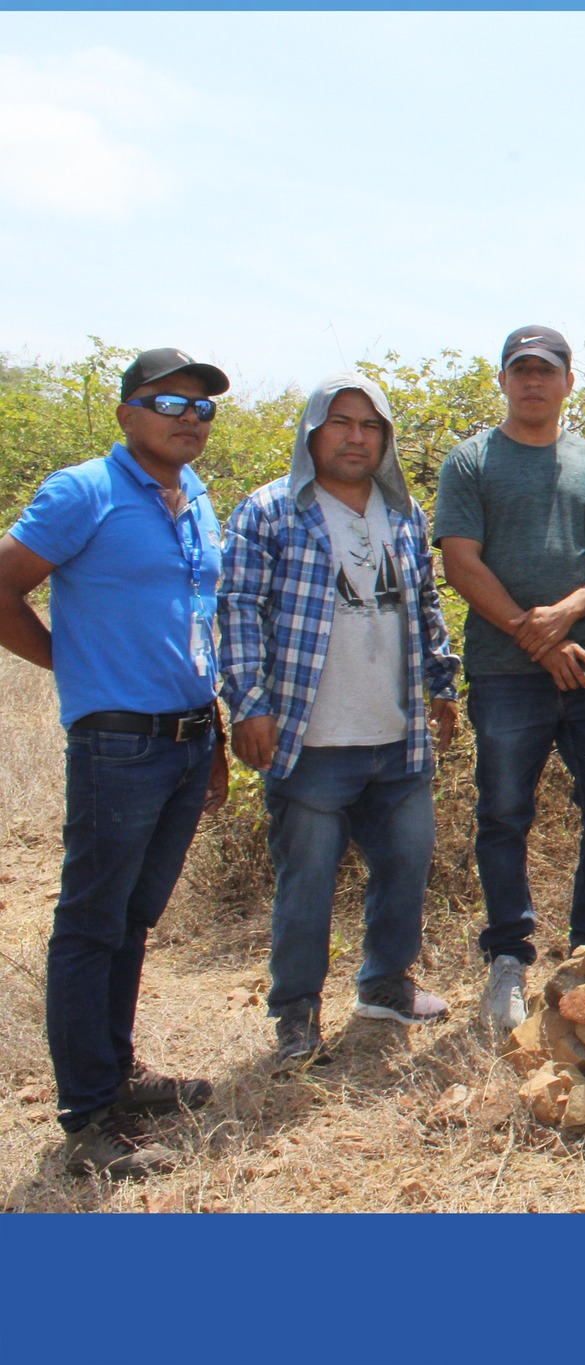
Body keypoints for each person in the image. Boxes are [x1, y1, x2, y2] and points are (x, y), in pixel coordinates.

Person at [0, 347, 231, 1178]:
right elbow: (3, 586)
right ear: (128, 411)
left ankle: (118, 1072)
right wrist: (75, 664)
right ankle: (87, 1116)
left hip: (186, 738)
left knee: (133, 919)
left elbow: (199, 624)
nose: (190, 420)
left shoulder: (199, 498)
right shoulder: (83, 492)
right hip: (117, 742)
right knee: (91, 922)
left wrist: (215, 738)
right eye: (172, 404)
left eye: (203, 409)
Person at [219, 373, 462, 1066]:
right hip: (311, 736)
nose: (356, 437)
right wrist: (250, 703)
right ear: (312, 432)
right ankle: (296, 1013)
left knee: (406, 865)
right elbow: (237, 610)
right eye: (341, 422)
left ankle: (385, 983)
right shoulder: (271, 510)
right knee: (308, 883)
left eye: (370, 425)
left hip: (397, 732)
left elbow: (424, 604)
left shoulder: (403, 513)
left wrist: (442, 686)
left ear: (384, 439)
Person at [434, 326, 585, 1031]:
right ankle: (507, 961)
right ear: (502, 380)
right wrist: (535, 634)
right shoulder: (471, 462)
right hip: (504, 673)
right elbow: (460, 562)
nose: (533, 382)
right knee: (503, 812)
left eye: (545, 371)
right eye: (520, 370)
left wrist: (569, 614)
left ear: (567, 382)